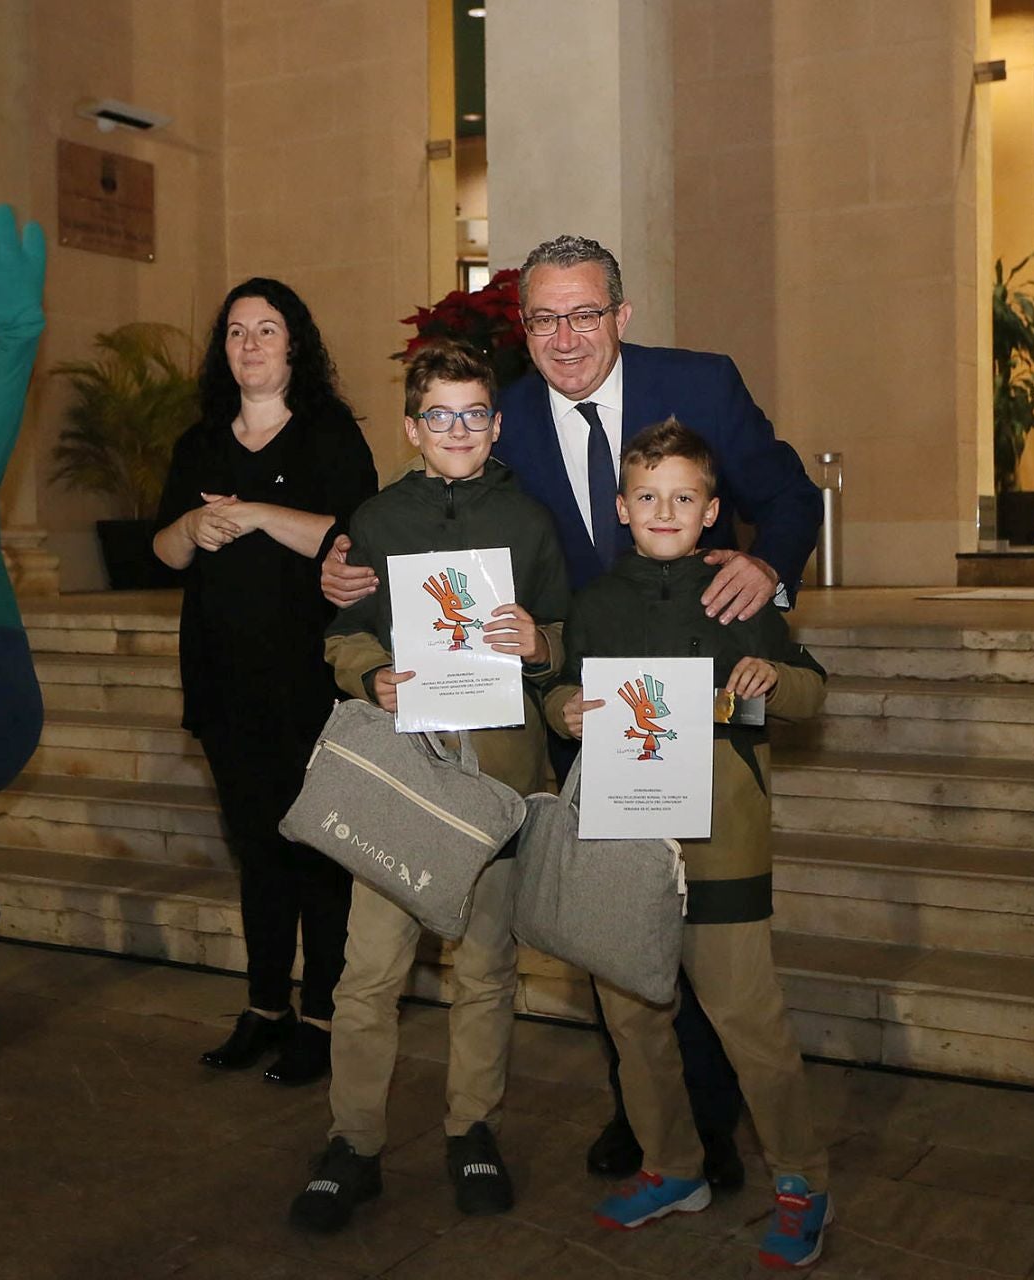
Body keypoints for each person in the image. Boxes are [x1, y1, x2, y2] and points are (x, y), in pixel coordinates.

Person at [321, 235, 823, 1184]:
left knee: (708, 935)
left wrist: (769, 567)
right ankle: (646, 1118)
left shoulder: (703, 383)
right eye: (544, 317)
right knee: (611, 914)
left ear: (620, 316)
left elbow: (789, 492)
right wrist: (343, 568)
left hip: (696, 687)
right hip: (572, 706)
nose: (564, 335)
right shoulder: (491, 418)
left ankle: (709, 1123)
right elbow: (415, 533)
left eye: (585, 313)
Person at [288, 342, 569, 1235]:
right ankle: (353, 1143)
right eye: (440, 415)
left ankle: (472, 1129)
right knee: (368, 970)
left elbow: (563, 634)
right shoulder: (374, 521)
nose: (458, 430)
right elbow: (344, 631)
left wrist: (542, 644)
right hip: (404, 777)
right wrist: (372, 676)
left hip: (496, 775)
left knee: (484, 965)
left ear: (495, 423)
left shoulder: (529, 521)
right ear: (413, 427)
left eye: (475, 413)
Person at [546, 418, 832, 1270]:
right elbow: (565, 689)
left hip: (724, 840)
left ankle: (801, 1180)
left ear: (711, 510)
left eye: (683, 497)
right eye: (647, 497)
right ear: (623, 508)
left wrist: (771, 681)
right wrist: (561, 707)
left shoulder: (741, 595)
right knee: (633, 1020)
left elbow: (812, 693)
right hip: (626, 840)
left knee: (749, 1020)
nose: (664, 510)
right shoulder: (596, 603)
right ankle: (672, 1167)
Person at [153, 278, 378, 1086]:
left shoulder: (327, 435)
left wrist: (250, 513)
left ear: (296, 345)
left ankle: (320, 1016)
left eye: (268, 330)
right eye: (237, 332)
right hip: (224, 678)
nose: (251, 345)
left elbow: (357, 535)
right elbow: (165, 553)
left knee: (316, 850)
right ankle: (264, 1008)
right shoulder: (200, 442)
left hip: (311, 681)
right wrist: (189, 524)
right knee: (256, 852)